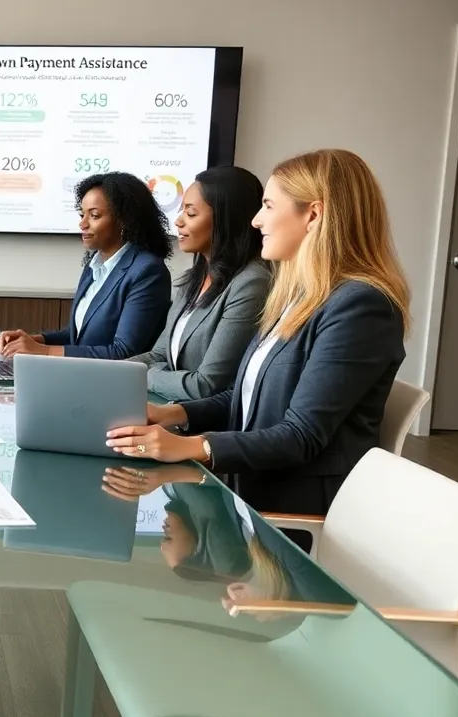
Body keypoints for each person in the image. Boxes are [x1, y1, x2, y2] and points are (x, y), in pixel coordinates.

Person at [104, 149, 411, 519]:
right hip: (248, 483)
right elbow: (245, 394)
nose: (255, 220)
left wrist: (191, 446)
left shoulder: (360, 306)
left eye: (267, 206)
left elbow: (300, 436)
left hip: (294, 507)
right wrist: (171, 413)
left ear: (312, 215)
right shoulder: (298, 295)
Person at [126, 166, 271, 400]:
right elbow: (160, 354)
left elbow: (205, 385)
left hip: (207, 424)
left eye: (191, 214)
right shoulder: (196, 275)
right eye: (182, 210)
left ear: (227, 220)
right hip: (168, 404)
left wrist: (142, 376)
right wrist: (117, 373)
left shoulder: (252, 282)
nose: (178, 221)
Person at [0, 172, 172, 359]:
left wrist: (44, 351)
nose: (82, 223)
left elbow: (124, 352)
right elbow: (77, 337)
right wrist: (33, 340)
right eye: (82, 214)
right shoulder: (94, 265)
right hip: (80, 375)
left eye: (94, 215)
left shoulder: (147, 271)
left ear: (124, 220)